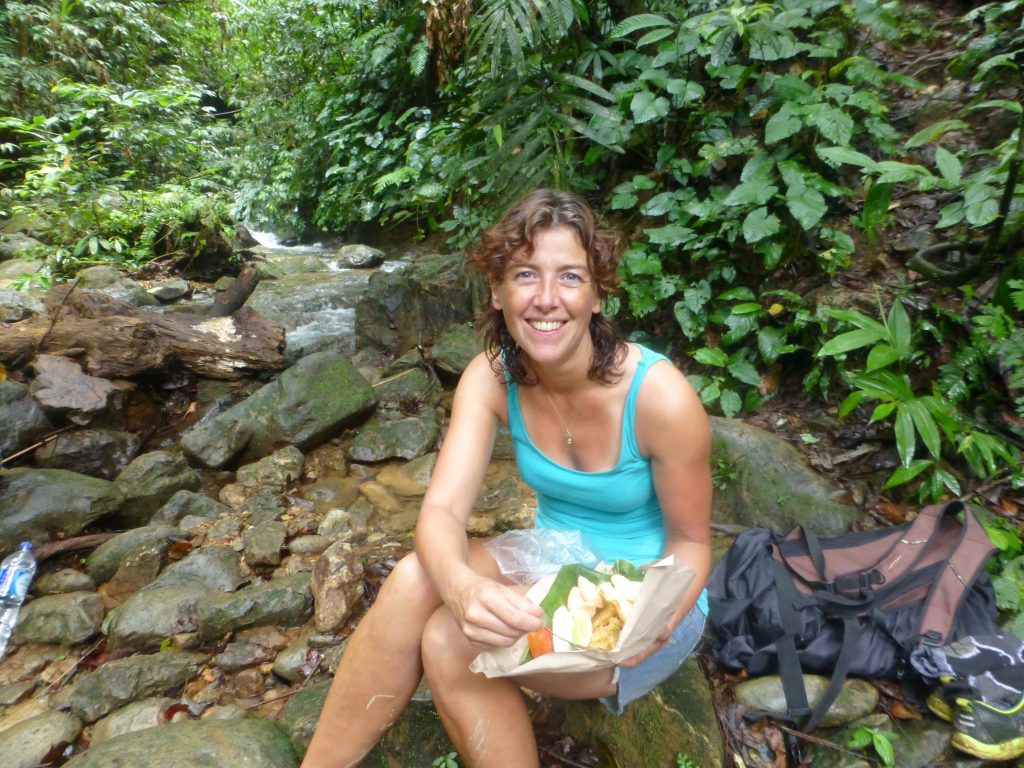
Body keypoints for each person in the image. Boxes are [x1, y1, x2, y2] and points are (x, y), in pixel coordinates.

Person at [300, 188, 712, 768]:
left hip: (649, 595)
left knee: (447, 642)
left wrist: (654, 617)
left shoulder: (659, 398)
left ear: (596, 294)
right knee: (420, 578)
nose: (546, 299)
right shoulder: (491, 377)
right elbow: (440, 513)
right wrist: (464, 589)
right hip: (552, 558)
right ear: (497, 291)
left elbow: (692, 544)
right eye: (525, 274)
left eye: (570, 277)